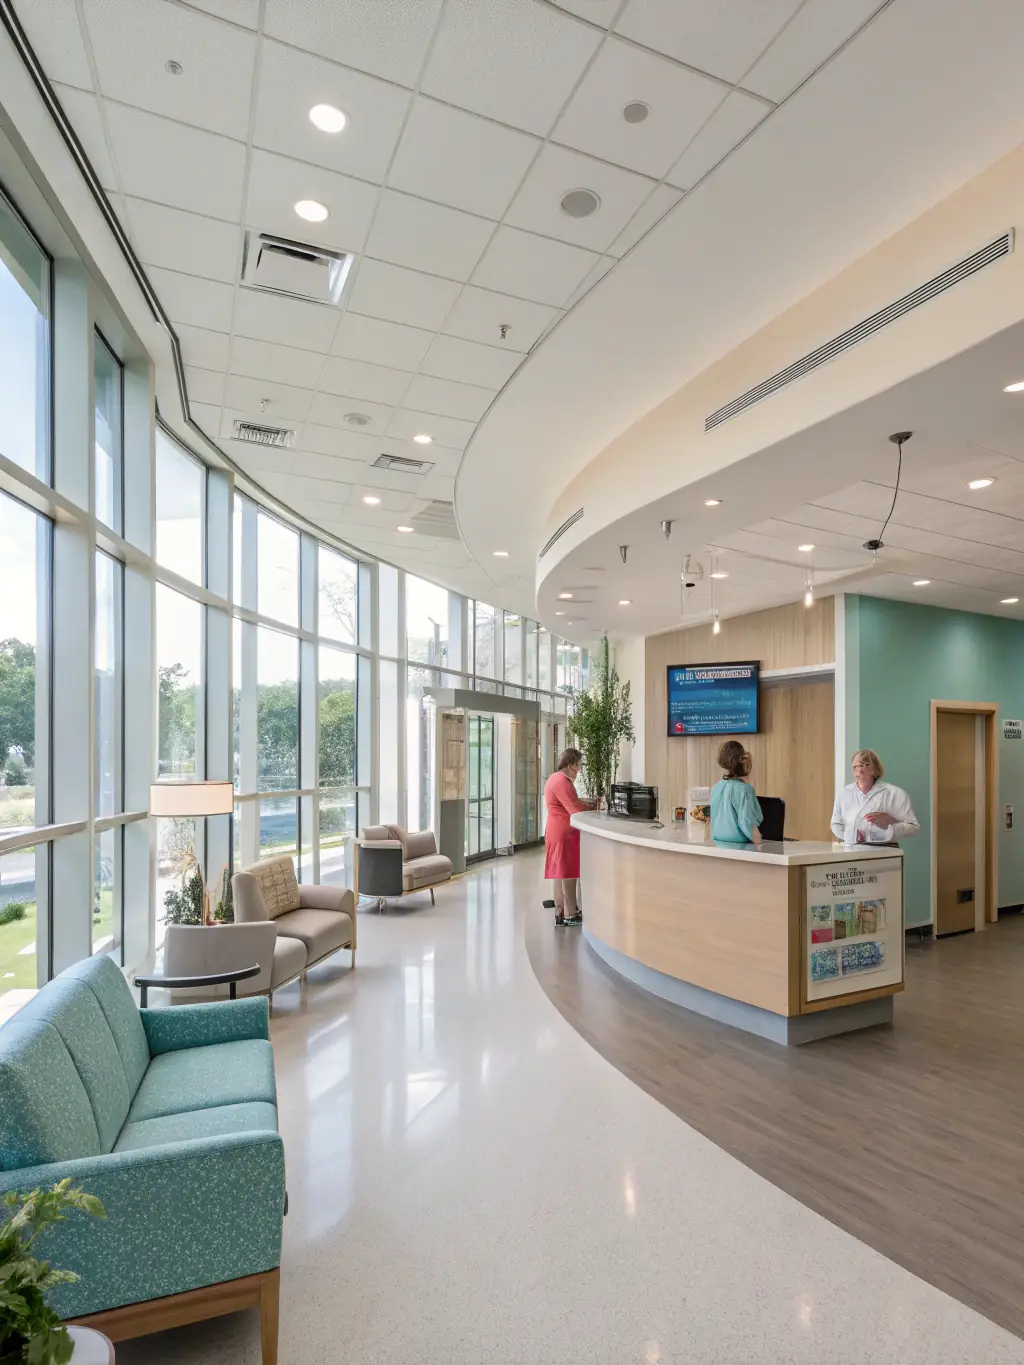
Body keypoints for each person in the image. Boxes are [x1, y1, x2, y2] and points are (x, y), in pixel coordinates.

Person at [543, 748, 595, 926]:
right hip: (565, 833)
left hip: (554, 830)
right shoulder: (563, 782)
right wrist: (592, 808)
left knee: (559, 872)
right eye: (578, 765)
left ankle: (560, 910)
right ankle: (571, 913)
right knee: (569, 873)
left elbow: (568, 803)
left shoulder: (553, 778)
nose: (579, 770)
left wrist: (583, 803)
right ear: (571, 764)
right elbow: (574, 810)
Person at [831, 749, 919, 845]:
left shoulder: (894, 793)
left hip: (884, 850)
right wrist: (852, 836)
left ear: (874, 769)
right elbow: (836, 824)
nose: (859, 770)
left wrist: (889, 825)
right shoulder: (844, 794)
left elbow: (913, 827)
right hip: (851, 850)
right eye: (855, 767)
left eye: (864, 765)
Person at [710, 740, 762, 845]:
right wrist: (761, 845)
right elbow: (747, 823)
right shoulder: (745, 790)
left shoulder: (716, 788)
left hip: (718, 845)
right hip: (741, 848)